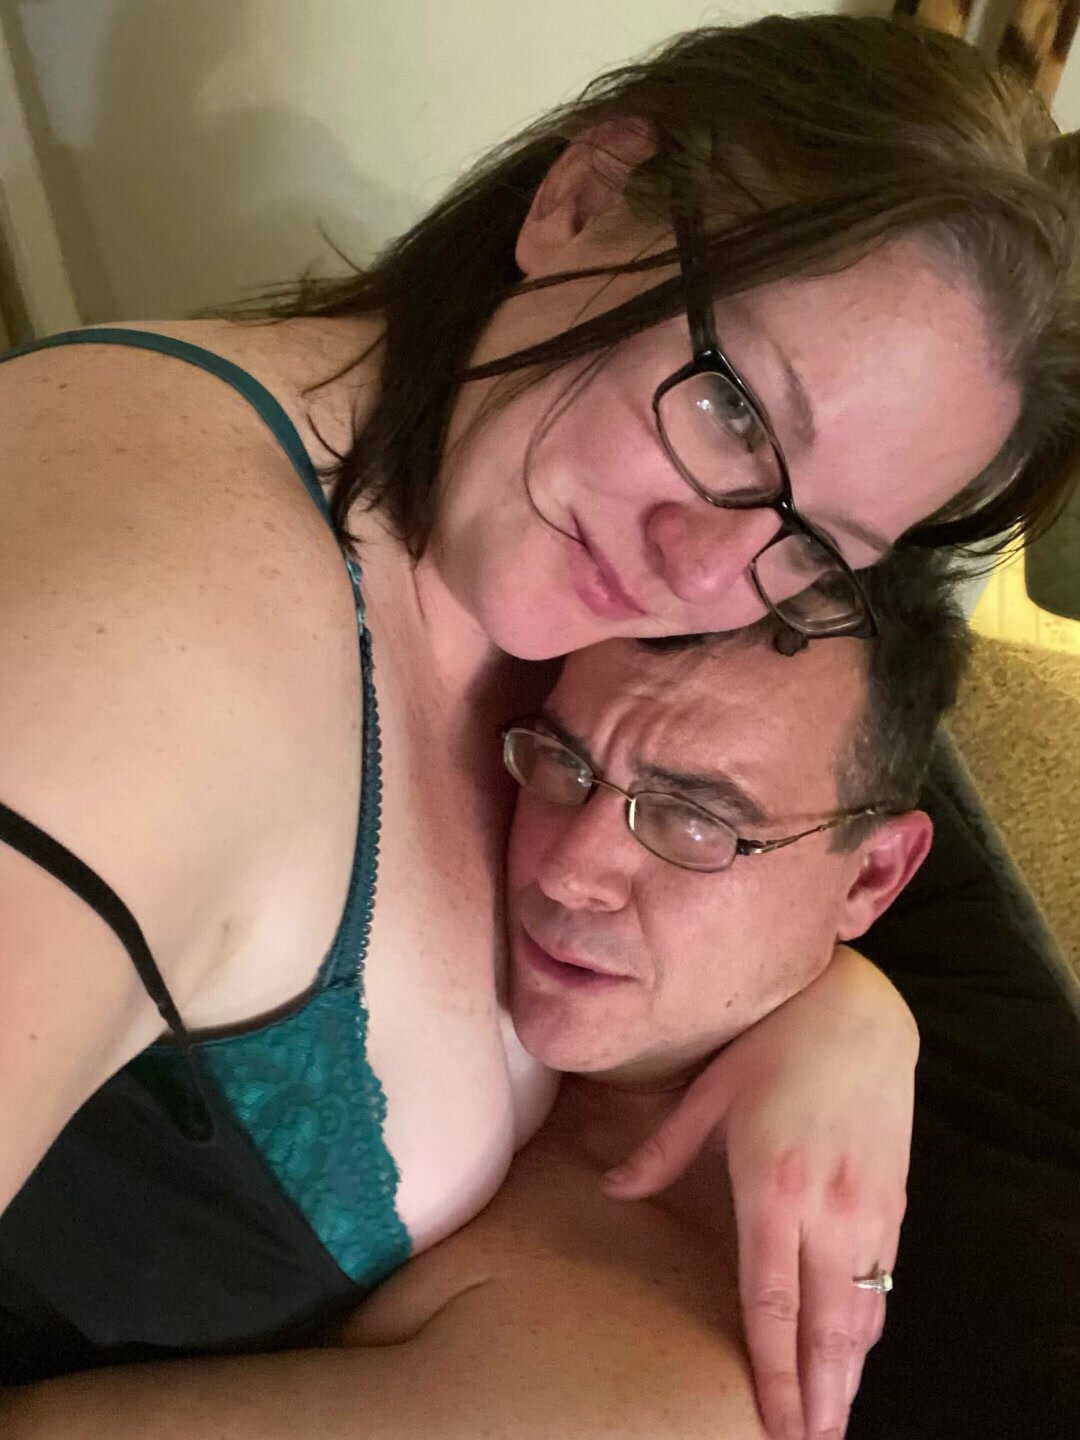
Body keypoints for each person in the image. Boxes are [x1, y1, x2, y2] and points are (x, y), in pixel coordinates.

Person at [1, 13, 1079, 1440]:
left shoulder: (537, 554)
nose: (707, 572)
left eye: (823, 541)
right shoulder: (135, 663)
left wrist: (847, 1005)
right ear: (580, 197)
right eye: (734, 413)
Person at [10, 554, 1073, 1440]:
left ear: (874, 876)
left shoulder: (647, 1386)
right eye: (567, 766)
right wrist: (856, 1005)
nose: (567, 873)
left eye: (695, 822)